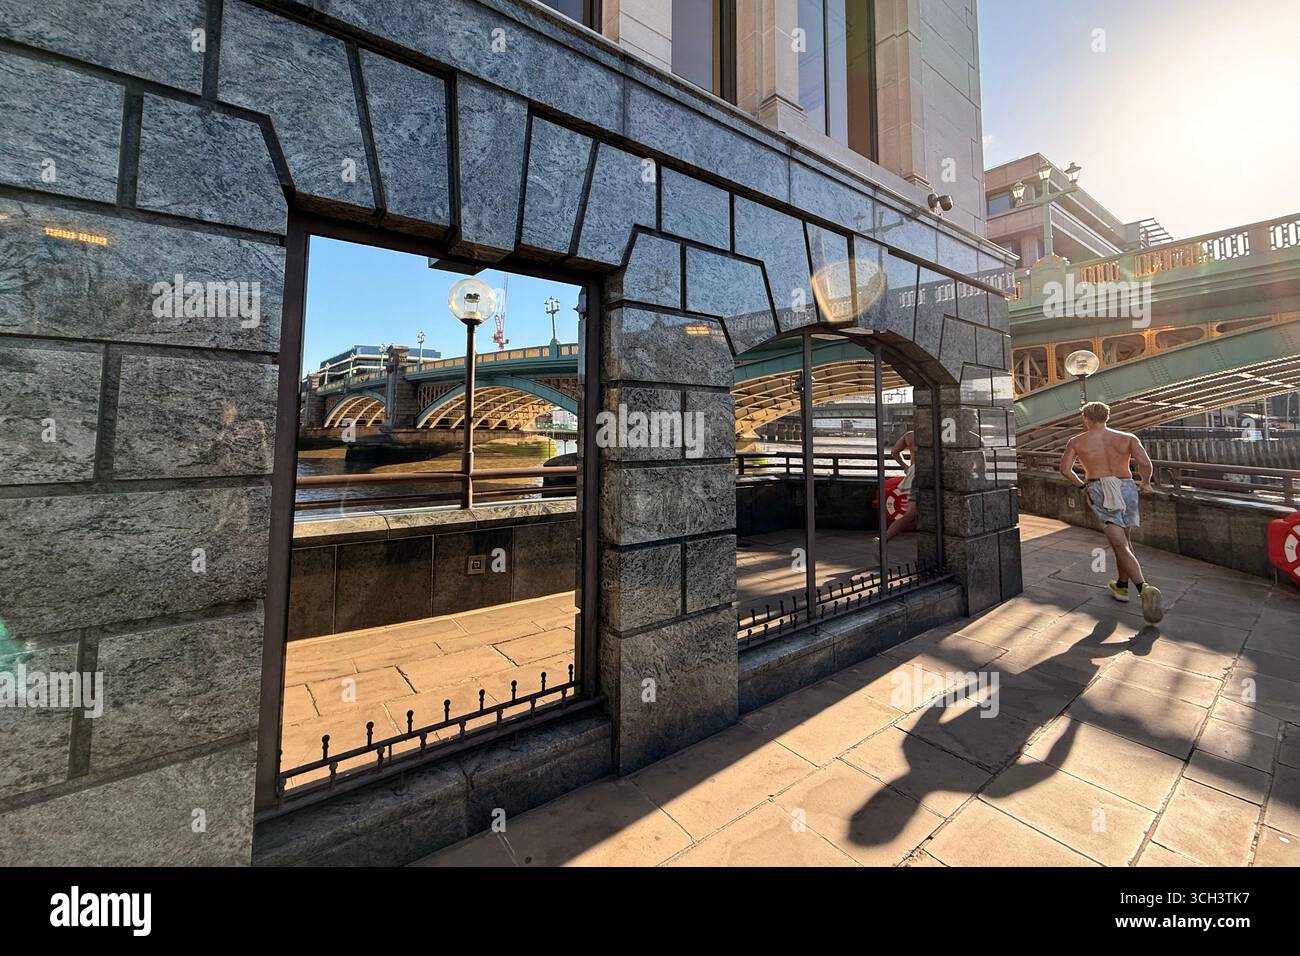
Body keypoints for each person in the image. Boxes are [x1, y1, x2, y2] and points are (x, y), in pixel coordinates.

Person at [1059, 401, 1163, 623]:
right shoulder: (1127, 438)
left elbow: (1065, 469)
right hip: (1126, 485)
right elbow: (1145, 462)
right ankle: (1121, 586)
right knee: (1124, 539)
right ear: (1106, 417)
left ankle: (1143, 587)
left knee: (1119, 543)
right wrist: (1145, 483)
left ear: (1086, 418)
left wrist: (1081, 486)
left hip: (1099, 486)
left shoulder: (1077, 441)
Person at [884, 429, 918, 542]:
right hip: (926, 472)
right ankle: (884, 540)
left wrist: (905, 467)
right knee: (911, 513)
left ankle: (883, 540)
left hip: (914, 471)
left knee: (911, 513)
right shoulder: (940, 433)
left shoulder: (910, 435)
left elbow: (894, 452)